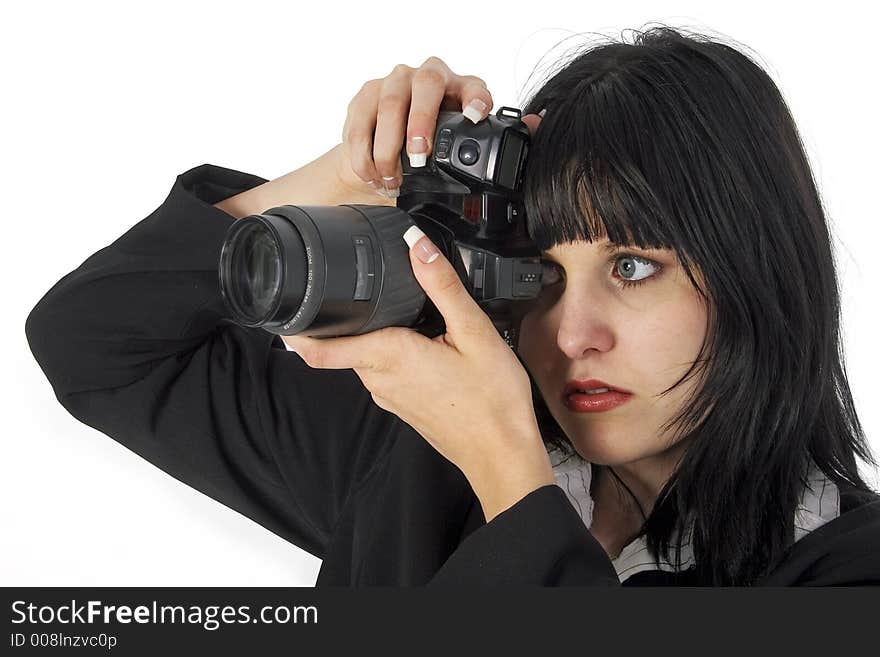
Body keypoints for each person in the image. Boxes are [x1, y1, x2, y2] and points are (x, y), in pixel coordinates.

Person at [25, 27, 880, 586]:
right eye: (540, 267)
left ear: (758, 273)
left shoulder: (846, 568)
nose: (571, 335)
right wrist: (346, 179)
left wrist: (509, 473)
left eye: (631, 265)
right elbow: (97, 343)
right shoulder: (416, 456)